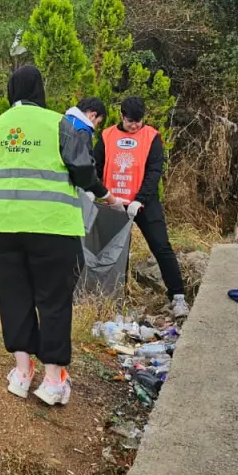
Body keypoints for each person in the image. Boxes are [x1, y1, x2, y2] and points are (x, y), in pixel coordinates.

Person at [0, 66, 106, 407]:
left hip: (3, 225)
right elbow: (82, 171)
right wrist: (105, 194)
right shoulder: (60, 124)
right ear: (40, 90)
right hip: (52, 227)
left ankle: (22, 373)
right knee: (53, 300)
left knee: (14, 295)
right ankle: (53, 381)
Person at [102, 97, 190, 318]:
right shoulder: (107, 136)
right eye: (131, 121)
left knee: (161, 246)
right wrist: (102, 194)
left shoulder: (151, 137)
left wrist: (140, 199)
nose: (135, 126)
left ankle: (178, 297)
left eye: (139, 121)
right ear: (122, 116)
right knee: (111, 253)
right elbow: (96, 164)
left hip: (143, 203)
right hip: (114, 203)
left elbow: (154, 171)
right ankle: (109, 300)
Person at [65, 97, 108, 196]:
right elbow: (84, 167)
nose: (96, 127)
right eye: (98, 123)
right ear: (93, 116)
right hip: (70, 189)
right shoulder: (82, 131)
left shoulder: (62, 121)